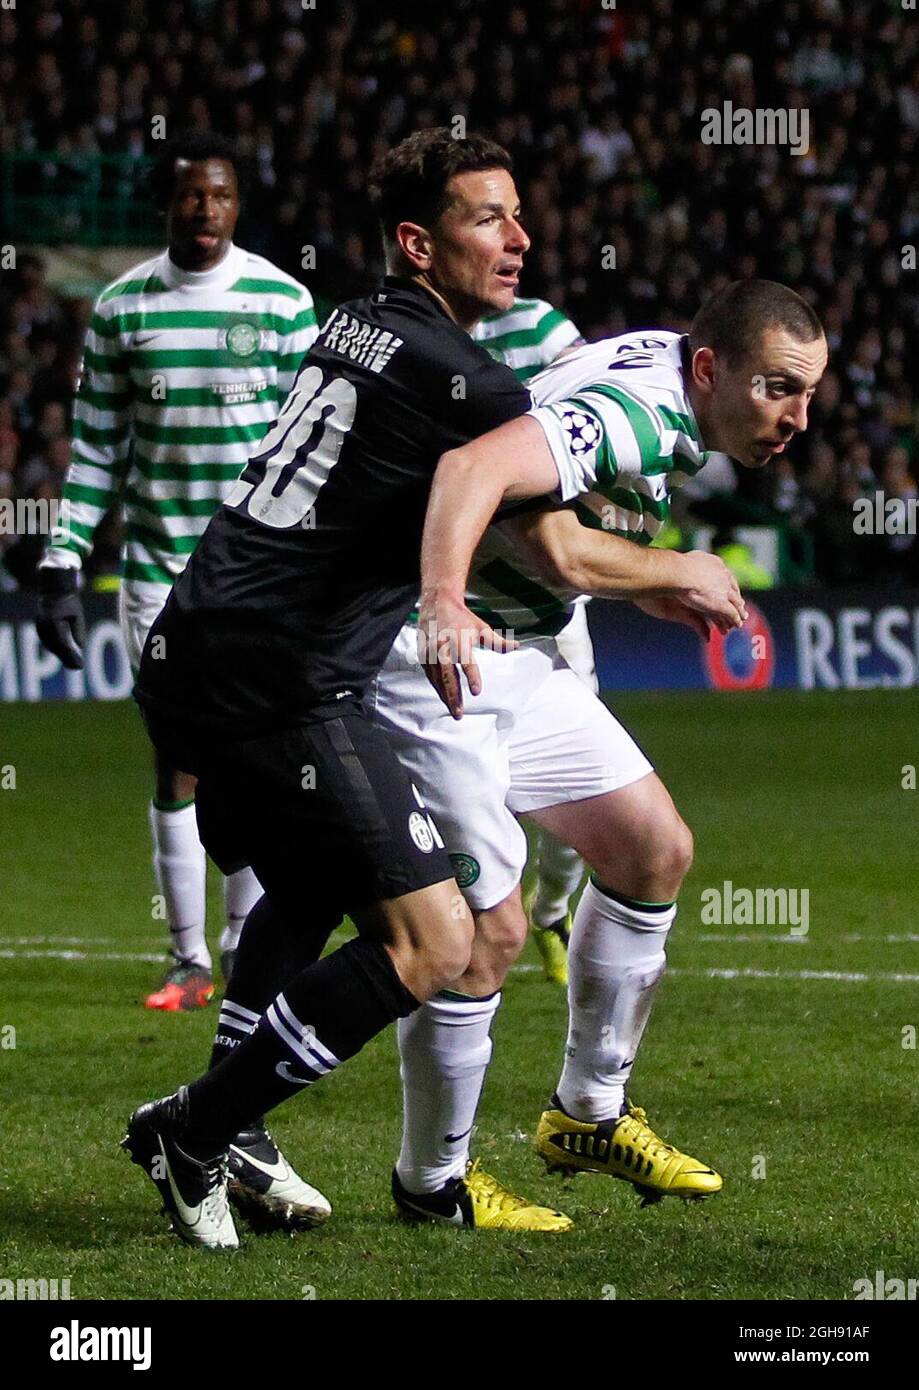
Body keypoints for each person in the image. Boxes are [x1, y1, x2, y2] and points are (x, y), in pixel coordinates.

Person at [122, 128, 576, 1248]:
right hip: (277, 680)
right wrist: (676, 570)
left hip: (197, 646)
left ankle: (238, 1126)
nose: (519, 239)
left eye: (518, 214)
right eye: (488, 218)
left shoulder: (353, 323)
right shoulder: (459, 375)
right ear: (419, 242)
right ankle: (200, 1127)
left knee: (318, 883)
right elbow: (555, 555)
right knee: (438, 942)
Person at [416, 279, 827, 1196]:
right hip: (446, 658)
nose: (798, 416)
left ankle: (587, 1118)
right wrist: (672, 566)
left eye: (808, 394)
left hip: (518, 647)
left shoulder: (660, 367)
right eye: (778, 389)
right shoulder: (637, 411)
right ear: (711, 368)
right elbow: (495, 487)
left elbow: (547, 513)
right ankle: (430, 1181)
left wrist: (641, 585)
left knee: (651, 850)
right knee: (481, 934)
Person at [35, 132, 319, 1009]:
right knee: (181, 761)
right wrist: (62, 559)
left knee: (256, 760)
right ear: (167, 205)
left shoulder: (282, 302)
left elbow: (310, 443)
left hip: (259, 569)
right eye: (191, 196)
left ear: (238, 205)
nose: (206, 211)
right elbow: (95, 450)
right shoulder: (123, 309)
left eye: (221, 196)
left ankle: (241, 946)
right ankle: (187, 956)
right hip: (159, 571)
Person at [472, 298, 588, 986]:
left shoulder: (541, 328)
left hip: (547, 591)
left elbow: (589, 406)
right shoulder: (420, 331)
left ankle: (549, 908)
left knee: (581, 778)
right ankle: (488, 913)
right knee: (476, 769)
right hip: (462, 593)